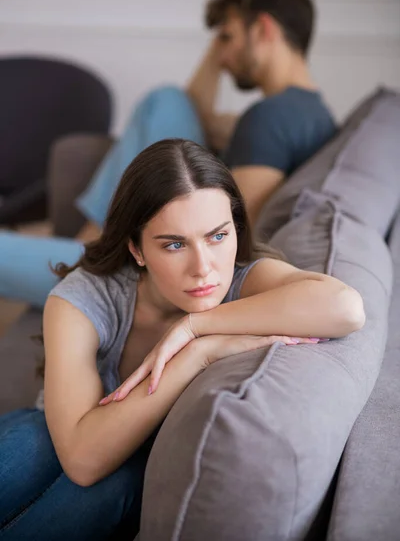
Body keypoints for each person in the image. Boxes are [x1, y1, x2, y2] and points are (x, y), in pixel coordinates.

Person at [0, 139, 365, 540]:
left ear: (234, 227)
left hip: (131, 473)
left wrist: (196, 333)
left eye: (217, 236)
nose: (203, 268)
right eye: (174, 244)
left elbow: (346, 308)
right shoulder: (85, 297)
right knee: (30, 446)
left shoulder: (244, 279)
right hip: (59, 433)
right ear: (136, 249)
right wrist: (195, 356)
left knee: (113, 488)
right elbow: (81, 455)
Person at [0, 0, 336, 308]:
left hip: (149, 274)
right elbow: (194, 109)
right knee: (167, 99)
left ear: (263, 28)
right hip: (160, 249)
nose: (223, 56)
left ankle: (91, 262)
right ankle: (92, 244)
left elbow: (234, 234)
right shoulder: (308, 113)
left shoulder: (269, 119)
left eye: (228, 36)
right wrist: (222, 43)